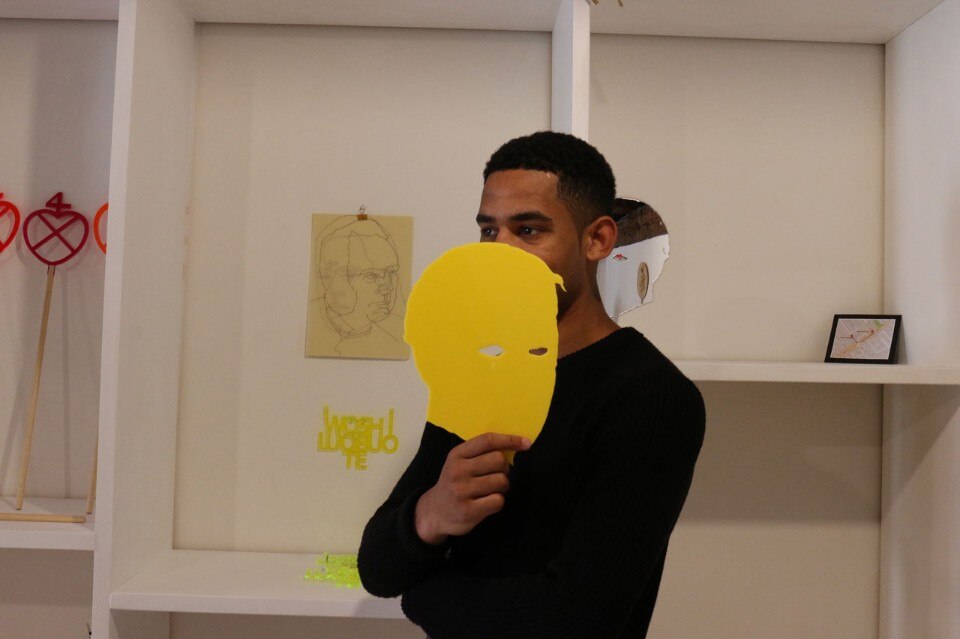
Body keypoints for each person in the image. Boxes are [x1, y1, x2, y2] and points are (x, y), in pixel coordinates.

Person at [358, 131, 705, 638]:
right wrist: (429, 514)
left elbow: (572, 620)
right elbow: (377, 568)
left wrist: (422, 595)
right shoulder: (481, 369)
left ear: (597, 240)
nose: (501, 252)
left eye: (528, 230)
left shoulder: (651, 397)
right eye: (489, 231)